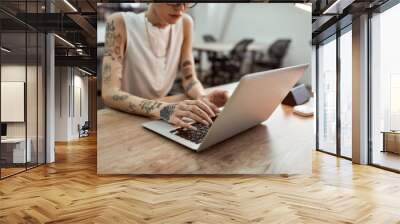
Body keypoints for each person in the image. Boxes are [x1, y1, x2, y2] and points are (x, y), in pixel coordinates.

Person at [102, 3, 229, 130]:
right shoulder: (120, 22)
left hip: (160, 115)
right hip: (124, 115)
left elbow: (190, 79)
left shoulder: (185, 23)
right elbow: (109, 93)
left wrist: (203, 97)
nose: (181, 7)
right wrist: (163, 109)